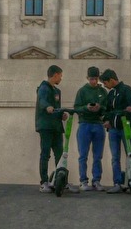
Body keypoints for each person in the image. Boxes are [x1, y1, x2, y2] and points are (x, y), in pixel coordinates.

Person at [99, 68, 131, 193]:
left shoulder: (126, 89)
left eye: (105, 83)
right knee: (115, 157)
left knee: (130, 154)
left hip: (125, 126)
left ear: (111, 80)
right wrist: (106, 120)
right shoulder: (111, 94)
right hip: (113, 129)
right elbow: (107, 110)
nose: (105, 86)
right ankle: (117, 183)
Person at [71, 65, 109, 191]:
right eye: (92, 79)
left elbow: (107, 108)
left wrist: (100, 108)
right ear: (87, 78)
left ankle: (96, 180)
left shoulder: (103, 91)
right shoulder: (82, 91)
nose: (94, 81)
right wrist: (86, 108)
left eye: (96, 79)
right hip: (84, 124)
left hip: (98, 124)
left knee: (98, 155)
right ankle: (83, 181)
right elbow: (76, 108)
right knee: (83, 155)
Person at [34, 64, 69, 192]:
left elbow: (57, 109)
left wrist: (62, 115)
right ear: (55, 75)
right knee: (45, 154)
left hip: (56, 127)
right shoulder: (43, 88)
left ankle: (61, 181)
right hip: (46, 127)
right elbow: (42, 101)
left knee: (60, 154)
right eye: (60, 76)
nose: (61, 78)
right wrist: (47, 107)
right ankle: (44, 182)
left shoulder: (57, 91)